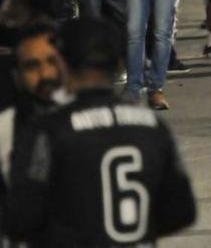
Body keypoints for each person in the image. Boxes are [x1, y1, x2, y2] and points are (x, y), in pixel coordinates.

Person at [4, 18, 197, 245]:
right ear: (118, 64)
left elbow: (21, 216)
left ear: (63, 63)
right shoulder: (153, 126)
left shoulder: (50, 130)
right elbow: (182, 212)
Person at [0, 24, 63, 196]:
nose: (45, 75)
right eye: (32, 66)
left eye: (52, 61)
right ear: (17, 77)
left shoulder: (95, 123)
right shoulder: (4, 131)